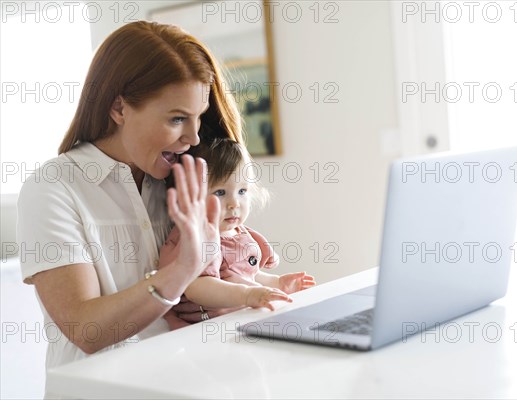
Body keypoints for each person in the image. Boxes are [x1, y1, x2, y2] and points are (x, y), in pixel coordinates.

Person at [16, 21, 241, 378]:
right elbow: (85, 330)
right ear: (119, 108)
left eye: (198, 118)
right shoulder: (53, 187)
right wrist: (181, 269)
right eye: (177, 118)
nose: (194, 136)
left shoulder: (181, 179)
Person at [159, 138, 316, 329]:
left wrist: (277, 283)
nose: (234, 203)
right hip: (206, 330)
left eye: (242, 190)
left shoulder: (238, 233)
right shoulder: (195, 238)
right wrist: (247, 295)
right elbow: (197, 288)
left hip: (241, 320)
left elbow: (246, 275)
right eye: (220, 192)